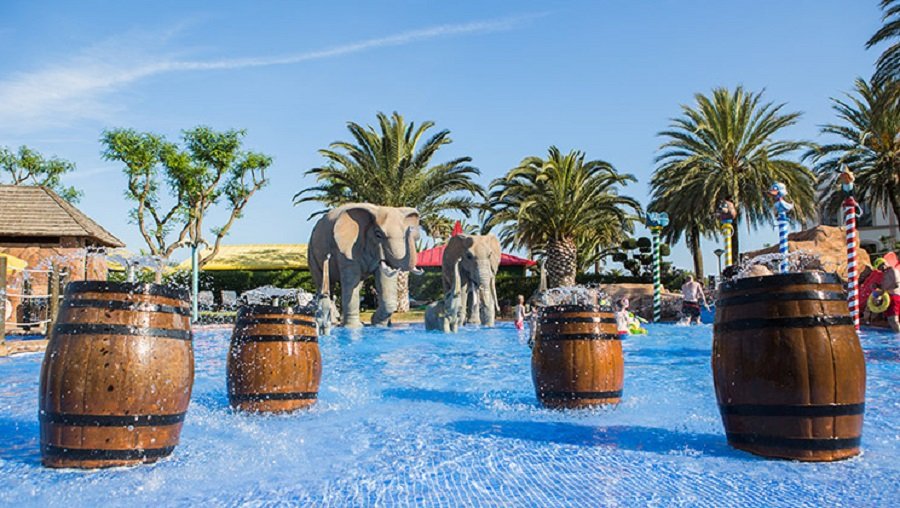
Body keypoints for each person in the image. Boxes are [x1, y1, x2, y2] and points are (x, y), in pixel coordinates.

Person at [881, 262, 900, 333]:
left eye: (881, 266)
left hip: (895, 296)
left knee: (893, 319)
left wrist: (883, 290)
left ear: (885, 264)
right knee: (890, 319)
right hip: (890, 297)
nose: (881, 269)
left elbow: (896, 284)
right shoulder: (886, 273)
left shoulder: (892, 270)